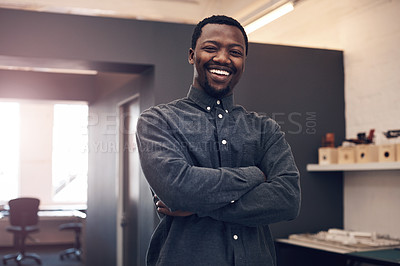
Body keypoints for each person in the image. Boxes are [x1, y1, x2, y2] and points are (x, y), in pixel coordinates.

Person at [136, 15, 301, 266]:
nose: (223, 58)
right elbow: (177, 191)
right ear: (192, 55)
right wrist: (255, 175)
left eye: (235, 52)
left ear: (244, 61)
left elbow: (288, 199)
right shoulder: (158, 121)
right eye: (211, 48)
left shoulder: (265, 129)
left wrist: (198, 206)